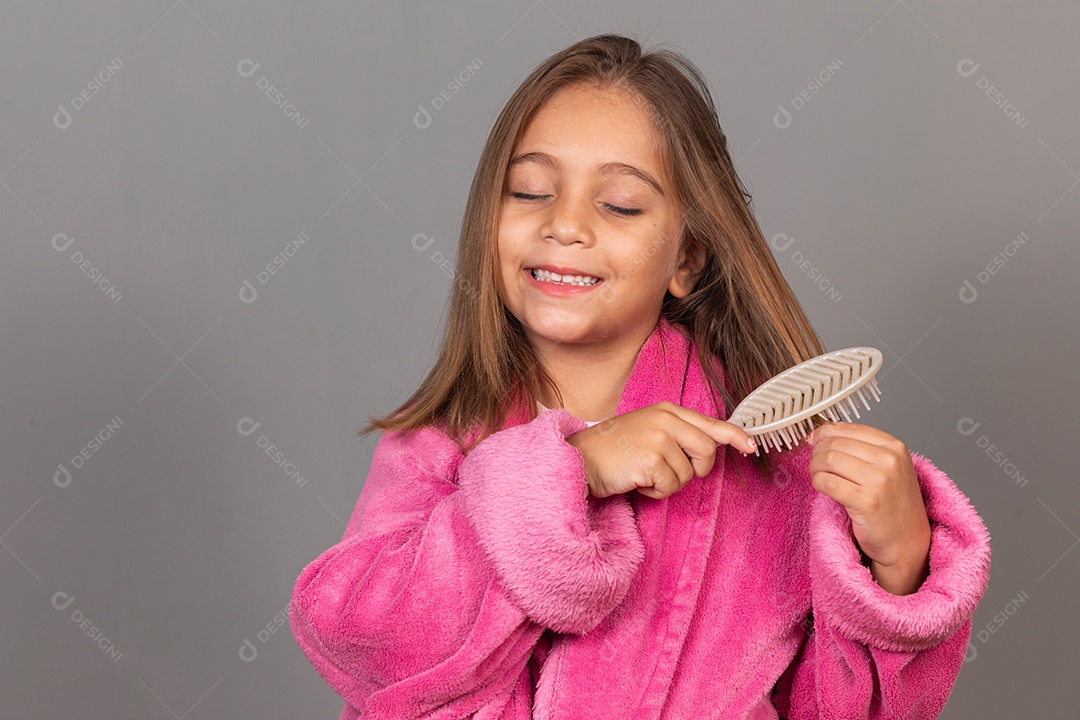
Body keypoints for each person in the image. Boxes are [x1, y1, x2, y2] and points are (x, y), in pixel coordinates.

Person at [289, 32, 991, 719]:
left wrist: (899, 565)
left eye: (620, 204)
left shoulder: (772, 469)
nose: (565, 225)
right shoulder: (441, 443)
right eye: (529, 191)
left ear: (687, 257)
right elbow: (356, 638)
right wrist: (568, 474)